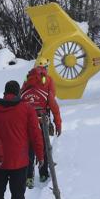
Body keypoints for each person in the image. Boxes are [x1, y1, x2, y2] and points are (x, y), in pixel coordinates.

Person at [0, 80, 44, 199]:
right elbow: (36, 136)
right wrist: (40, 157)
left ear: (5, 92)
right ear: (18, 92)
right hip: (20, 162)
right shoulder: (27, 110)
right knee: (18, 194)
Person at [21, 60, 62, 188]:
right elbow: (53, 101)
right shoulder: (48, 79)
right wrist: (58, 123)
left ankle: (28, 177)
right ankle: (43, 173)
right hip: (42, 120)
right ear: (46, 68)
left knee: (29, 149)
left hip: (27, 121)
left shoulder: (27, 79)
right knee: (43, 147)